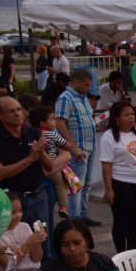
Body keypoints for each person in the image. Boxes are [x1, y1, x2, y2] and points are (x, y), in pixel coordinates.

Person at [0, 97, 56, 260]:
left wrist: (41, 152)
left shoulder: (31, 132)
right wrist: (30, 159)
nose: (18, 114)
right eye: (11, 111)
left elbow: (50, 167)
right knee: (15, 247)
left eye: (19, 109)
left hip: (38, 197)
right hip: (13, 202)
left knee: (43, 245)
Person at [99, 101, 136, 252]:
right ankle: (121, 254)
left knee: (135, 222)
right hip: (121, 185)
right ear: (117, 118)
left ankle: (131, 252)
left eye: (132, 114)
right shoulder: (109, 136)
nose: (131, 118)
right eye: (126, 115)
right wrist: (108, 189)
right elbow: (106, 165)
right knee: (121, 222)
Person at [54, 69, 99, 225]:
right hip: (78, 148)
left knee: (86, 183)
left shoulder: (83, 97)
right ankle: (74, 219)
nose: (88, 88)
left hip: (89, 146)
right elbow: (59, 123)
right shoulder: (65, 98)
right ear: (76, 82)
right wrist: (73, 148)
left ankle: (82, 215)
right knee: (76, 185)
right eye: (86, 85)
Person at [28, 105, 75, 220]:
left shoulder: (33, 134)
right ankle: (63, 207)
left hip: (38, 167)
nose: (55, 122)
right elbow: (66, 144)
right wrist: (70, 144)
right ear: (43, 123)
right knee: (60, 185)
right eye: (52, 119)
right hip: (52, 167)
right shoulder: (51, 134)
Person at [0, 193, 46, 271]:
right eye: (12, 212)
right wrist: (29, 244)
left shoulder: (25, 226)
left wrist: (37, 242)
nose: (18, 215)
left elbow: (37, 258)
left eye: (20, 210)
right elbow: (8, 265)